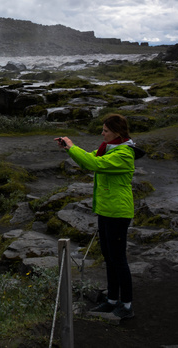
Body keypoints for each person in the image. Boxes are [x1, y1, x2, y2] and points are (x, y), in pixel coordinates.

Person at [55, 113, 143, 320]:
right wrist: (70, 149)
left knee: (118, 259)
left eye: (105, 130)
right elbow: (90, 158)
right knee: (109, 257)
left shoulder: (123, 154)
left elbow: (94, 164)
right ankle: (112, 300)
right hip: (106, 210)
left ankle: (127, 305)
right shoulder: (108, 149)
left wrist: (71, 146)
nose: (102, 133)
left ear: (117, 133)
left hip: (118, 212)